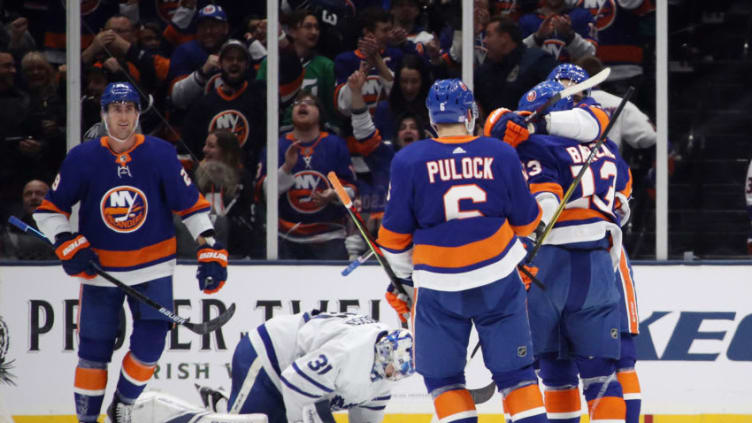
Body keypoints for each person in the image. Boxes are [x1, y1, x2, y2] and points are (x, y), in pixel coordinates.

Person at [32, 82, 229, 423]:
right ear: (104, 114)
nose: (122, 116)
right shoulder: (82, 157)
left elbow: (192, 207)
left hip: (154, 269)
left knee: (150, 348)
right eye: (115, 108)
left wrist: (209, 249)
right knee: (93, 353)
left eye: (128, 108)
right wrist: (66, 242)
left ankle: (123, 404)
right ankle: (87, 420)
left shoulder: (161, 153)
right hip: (100, 271)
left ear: (138, 113)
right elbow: (49, 210)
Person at [377, 78, 550, 423]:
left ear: (431, 119)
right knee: (517, 377)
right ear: (470, 114)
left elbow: (393, 239)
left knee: (444, 380)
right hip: (498, 276)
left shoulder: (408, 160)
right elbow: (528, 223)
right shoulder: (500, 152)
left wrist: (408, 281)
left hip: (437, 284)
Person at [505, 80, 631, 423]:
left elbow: (543, 206)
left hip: (549, 264)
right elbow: (622, 204)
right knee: (601, 374)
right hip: (598, 264)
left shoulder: (536, 147)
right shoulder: (607, 150)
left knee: (554, 369)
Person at [226, 310, 415, 423]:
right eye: (394, 368)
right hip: (269, 356)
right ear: (385, 351)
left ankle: (220, 401)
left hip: (299, 376)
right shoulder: (347, 352)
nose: (394, 375)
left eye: (400, 373)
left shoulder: (386, 375)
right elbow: (295, 381)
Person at [256, 91, 355, 260]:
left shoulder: (334, 145)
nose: (302, 105)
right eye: (297, 103)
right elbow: (265, 194)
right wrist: (287, 167)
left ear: (320, 113)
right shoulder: (276, 146)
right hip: (286, 238)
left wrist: (333, 193)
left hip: (329, 237)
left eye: (309, 103)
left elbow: (351, 191)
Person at [474, 16, 557, 114]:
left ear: (504, 38)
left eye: (488, 35)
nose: (484, 41)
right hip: (492, 126)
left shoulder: (539, 61)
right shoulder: (485, 70)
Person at [518, 0, 597, 62]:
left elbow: (591, 54)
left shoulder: (581, 16)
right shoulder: (527, 20)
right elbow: (517, 57)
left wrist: (570, 36)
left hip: (572, 79)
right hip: (537, 80)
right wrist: (537, 37)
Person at [0, 179, 56, 260]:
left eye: (39, 193)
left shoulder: (63, 227)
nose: (33, 197)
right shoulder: (11, 230)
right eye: (28, 194)